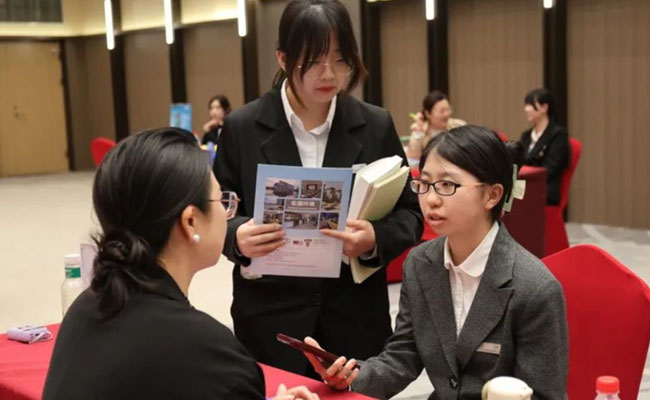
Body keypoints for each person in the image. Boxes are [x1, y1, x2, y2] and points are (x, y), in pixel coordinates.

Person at [214, 0, 422, 377]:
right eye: (312, 61)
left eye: (340, 60)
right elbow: (217, 211)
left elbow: (411, 214)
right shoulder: (243, 127)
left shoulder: (375, 125)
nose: (329, 74)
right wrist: (238, 237)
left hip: (354, 321)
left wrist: (374, 239)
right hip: (271, 321)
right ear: (282, 59)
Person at [42, 128, 317, 400]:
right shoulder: (210, 356)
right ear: (190, 222)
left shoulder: (86, 307)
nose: (226, 212)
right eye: (221, 200)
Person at [304, 125, 569, 400]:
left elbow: (544, 395)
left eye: (447, 185)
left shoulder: (534, 287)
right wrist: (352, 378)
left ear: (492, 195)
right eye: (424, 184)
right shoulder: (421, 264)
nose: (430, 199)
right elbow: (404, 353)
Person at [519, 88, 569, 205]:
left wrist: (527, 174)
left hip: (544, 189)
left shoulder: (558, 135)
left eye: (530, 105)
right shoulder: (526, 135)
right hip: (525, 186)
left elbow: (551, 168)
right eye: (526, 105)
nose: (526, 109)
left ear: (544, 108)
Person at [407, 90, 466, 159]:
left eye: (448, 109)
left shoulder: (459, 125)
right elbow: (413, 158)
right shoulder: (421, 130)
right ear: (428, 114)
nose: (446, 114)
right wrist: (418, 132)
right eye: (442, 111)